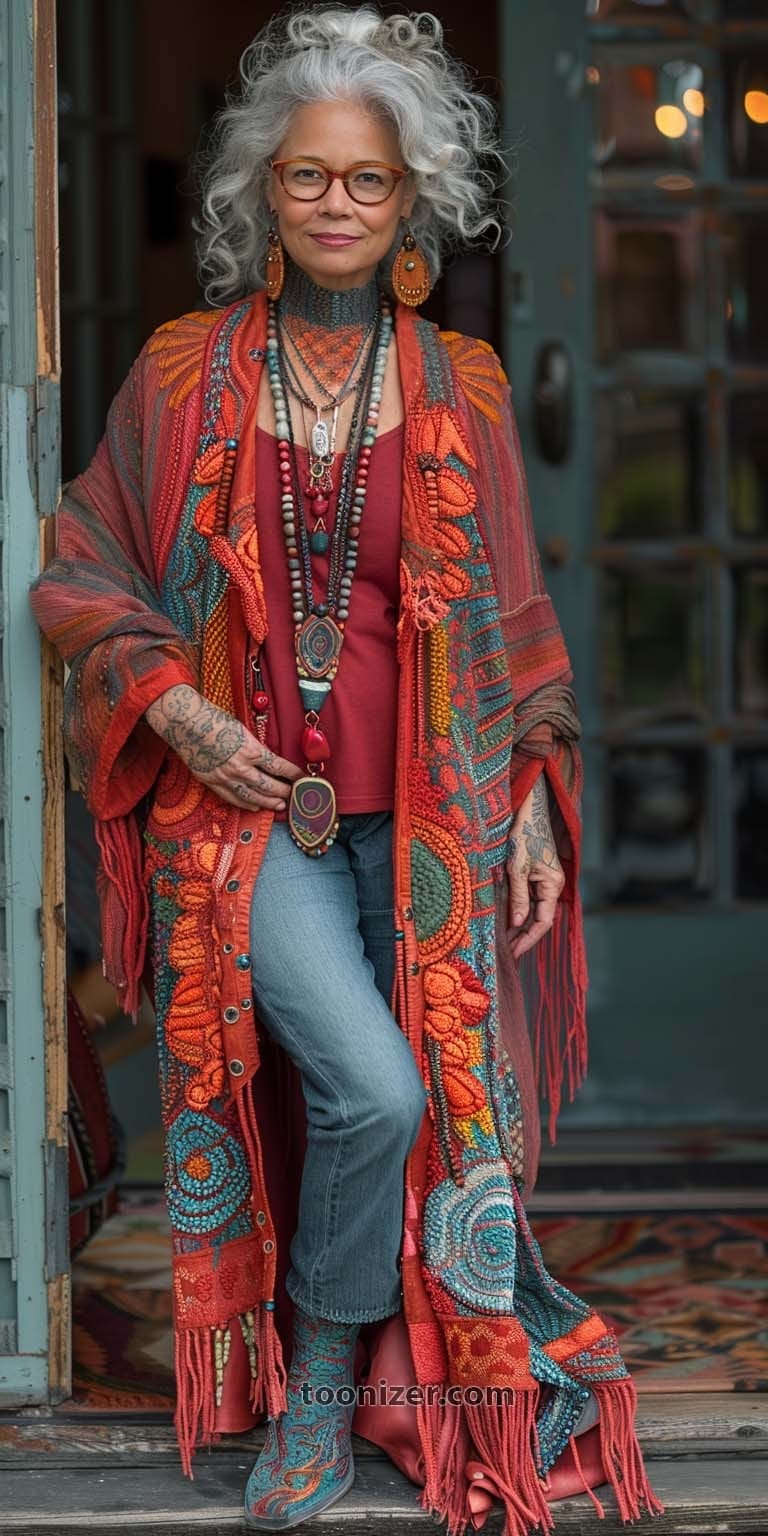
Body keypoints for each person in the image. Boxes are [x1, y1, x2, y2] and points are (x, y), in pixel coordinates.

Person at [29, 7, 665, 1534]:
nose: (333, 202)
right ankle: (313, 1389)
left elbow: (515, 614)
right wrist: (179, 712)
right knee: (377, 1093)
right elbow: (81, 563)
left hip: (430, 812)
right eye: (305, 175)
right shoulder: (187, 375)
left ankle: (402, 1377)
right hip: (254, 827)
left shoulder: (462, 387)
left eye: (366, 181)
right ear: (264, 192)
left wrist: (526, 799)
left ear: (411, 203)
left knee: (457, 1107)